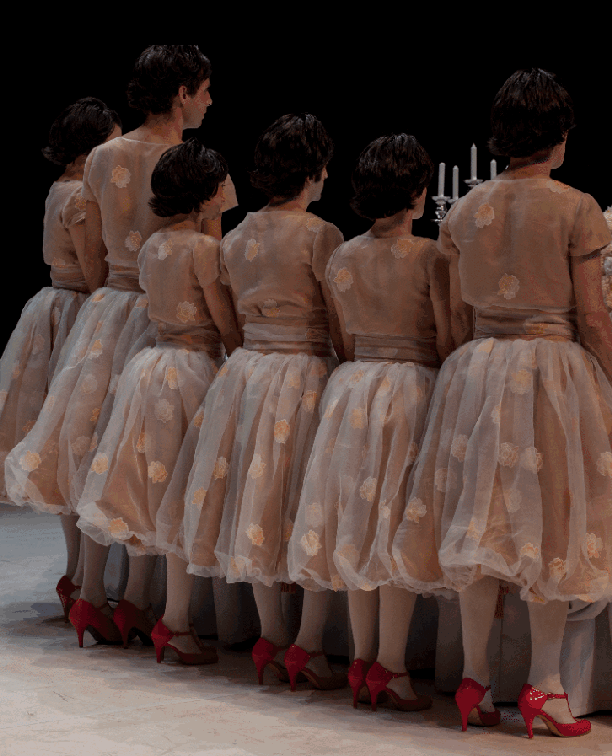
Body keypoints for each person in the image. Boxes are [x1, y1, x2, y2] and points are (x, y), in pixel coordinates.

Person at [391, 68, 612, 738]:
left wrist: (469, 366)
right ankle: (545, 684)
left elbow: (455, 313)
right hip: (550, 370)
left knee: (479, 524)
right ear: (560, 135)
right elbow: (593, 318)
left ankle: (475, 681)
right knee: (552, 524)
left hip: (478, 369)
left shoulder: (464, 210)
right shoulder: (575, 207)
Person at [5, 46, 234, 642]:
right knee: (156, 460)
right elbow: (214, 257)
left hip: (108, 313)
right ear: (182, 93)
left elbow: (95, 255)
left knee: (100, 453)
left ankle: (90, 590)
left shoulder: (103, 157)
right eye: (204, 90)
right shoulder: (196, 166)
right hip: (168, 321)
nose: (210, 101)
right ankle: (139, 599)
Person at [159, 114, 347, 689]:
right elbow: (337, 321)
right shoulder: (321, 235)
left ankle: (273, 634)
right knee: (312, 506)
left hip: (249, 375)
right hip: (305, 373)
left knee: (260, 505)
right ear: (312, 171)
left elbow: (235, 318)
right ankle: (308, 644)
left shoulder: (235, 237)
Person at [287, 134, 449, 711]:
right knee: (398, 524)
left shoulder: (343, 256)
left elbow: (344, 339)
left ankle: (361, 661)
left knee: (359, 525)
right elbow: (448, 339)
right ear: (418, 192)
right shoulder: (431, 257)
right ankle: (392, 667)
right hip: (410, 391)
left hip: (354, 390)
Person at [73, 138, 241, 660]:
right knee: (183, 493)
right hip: (191, 368)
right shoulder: (204, 250)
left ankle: (133, 603)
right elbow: (222, 321)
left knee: (153, 485)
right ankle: (177, 620)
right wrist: (242, 356)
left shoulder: (151, 247)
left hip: (150, 366)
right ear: (206, 194)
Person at [0, 97, 121, 620]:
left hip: (54, 309)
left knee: (69, 446)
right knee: (79, 442)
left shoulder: (59, 188)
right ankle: (81, 575)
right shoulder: (81, 196)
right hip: (77, 313)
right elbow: (96, 273)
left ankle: (76, 572)